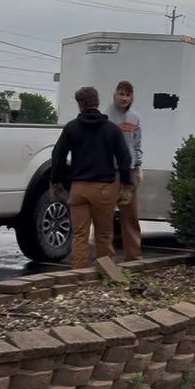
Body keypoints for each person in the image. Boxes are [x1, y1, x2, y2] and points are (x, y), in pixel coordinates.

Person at [51, 86, 133, 269]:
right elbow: (124, 159)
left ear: (80, 105)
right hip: (104, 189)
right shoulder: (112, 129)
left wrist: (57, 182)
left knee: (79, 234)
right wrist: (126, 185)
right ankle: (106, 272)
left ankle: (79, 275)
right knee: (103, 234)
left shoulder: (71, 128)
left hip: (79, 188)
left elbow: (58, 155)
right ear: (97, 102)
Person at [108, 80, 144, 261]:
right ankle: (107, 258)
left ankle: (134, 256)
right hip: (110, 172)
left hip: (129, 173)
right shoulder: (105, 116)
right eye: (121, 94)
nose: (124, 98)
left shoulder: (135, 117)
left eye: (128, 95)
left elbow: (137, 145)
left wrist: (137, 165)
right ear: (114, 94)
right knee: (105, 217)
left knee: (130, 216)